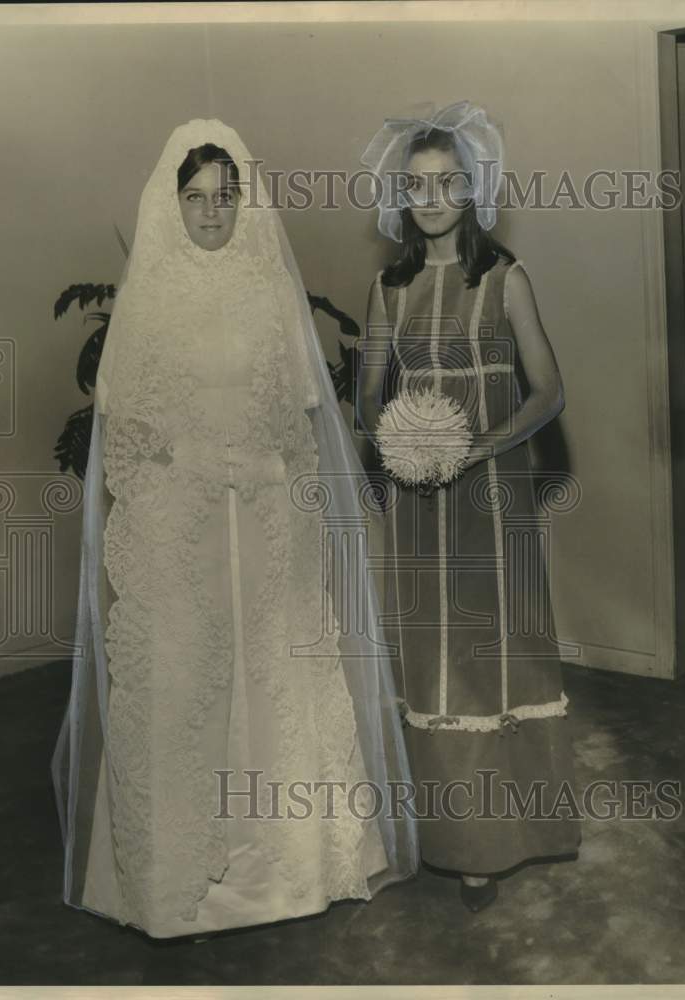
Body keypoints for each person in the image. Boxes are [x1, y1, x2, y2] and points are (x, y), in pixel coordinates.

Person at [51, 119, 418, 940]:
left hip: (263, 519)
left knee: (275, 669)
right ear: (171, 206)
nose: (210, 214)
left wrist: (265, 472)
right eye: (194, 199)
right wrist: (186, 469)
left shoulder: (266, 291)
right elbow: (129, 429)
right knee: (183, 676)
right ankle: (178, 873)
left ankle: (292, 864)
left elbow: (295, 417)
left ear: (240, 203)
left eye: (223, 198)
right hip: (182, 525)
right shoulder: (148, 299)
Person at [356, 101, 581, 912]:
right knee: (432, 657)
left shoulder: (504, 277)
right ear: (401, 196)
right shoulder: (389, 287)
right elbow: (366, 396)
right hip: (418, 500)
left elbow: (550, 389)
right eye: (416, 185)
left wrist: (489, 441)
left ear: (471, 186)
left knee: (495, 650)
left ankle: (506, 834)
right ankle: (443, 835)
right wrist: (394, 441)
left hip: (492, 496)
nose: (432, 196)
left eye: (447, 181)